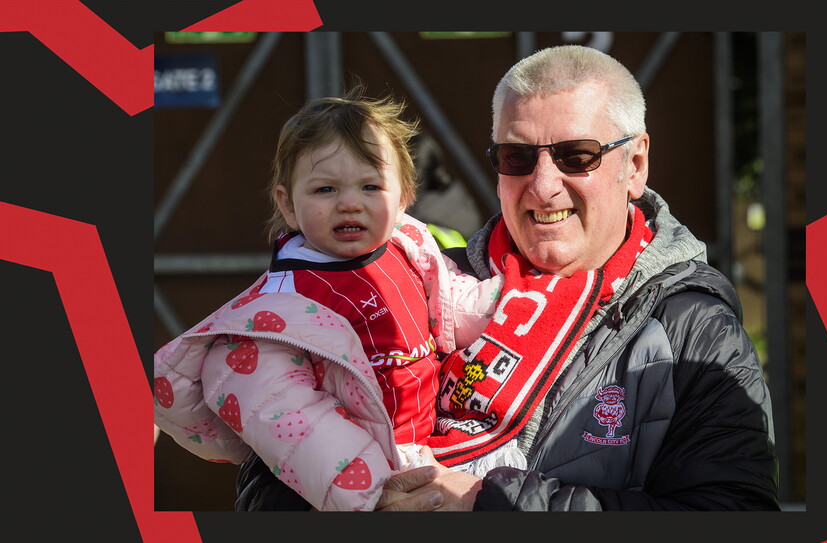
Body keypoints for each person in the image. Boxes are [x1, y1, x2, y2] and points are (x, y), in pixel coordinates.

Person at [236, 44, 780, 512]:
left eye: (576, 156)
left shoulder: (691, 326)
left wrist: (486, 505)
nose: (543, 187)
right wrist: (359, 494)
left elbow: (732, 511)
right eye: (517, 157)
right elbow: (263, 491)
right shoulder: (429, 283)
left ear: (634, 165)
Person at [153, 88, 505, 511]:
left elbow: (456, 307)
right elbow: (290, 419)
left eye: (371, 186)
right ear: (287, 204)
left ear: (405, 194)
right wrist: (370, 494)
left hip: (441, 447)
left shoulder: (410, 248)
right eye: (325, 190)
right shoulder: (281, 307)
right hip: (376, 477)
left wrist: (519, 296)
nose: (350, 203)